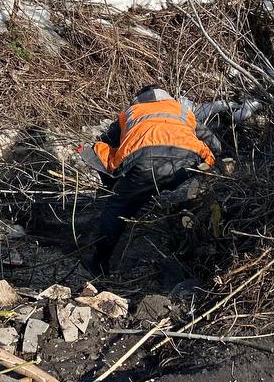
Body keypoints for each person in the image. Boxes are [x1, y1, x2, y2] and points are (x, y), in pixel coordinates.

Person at [79, 85, 220, 275]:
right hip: (188, 163)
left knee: (117, 208)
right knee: (189, 202)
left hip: (144, 165)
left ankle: (99, 264)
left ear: (138, 99)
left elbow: (105, 144)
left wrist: (113, 184)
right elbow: (215, 144)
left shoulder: (130, 113)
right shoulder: (182, 110)